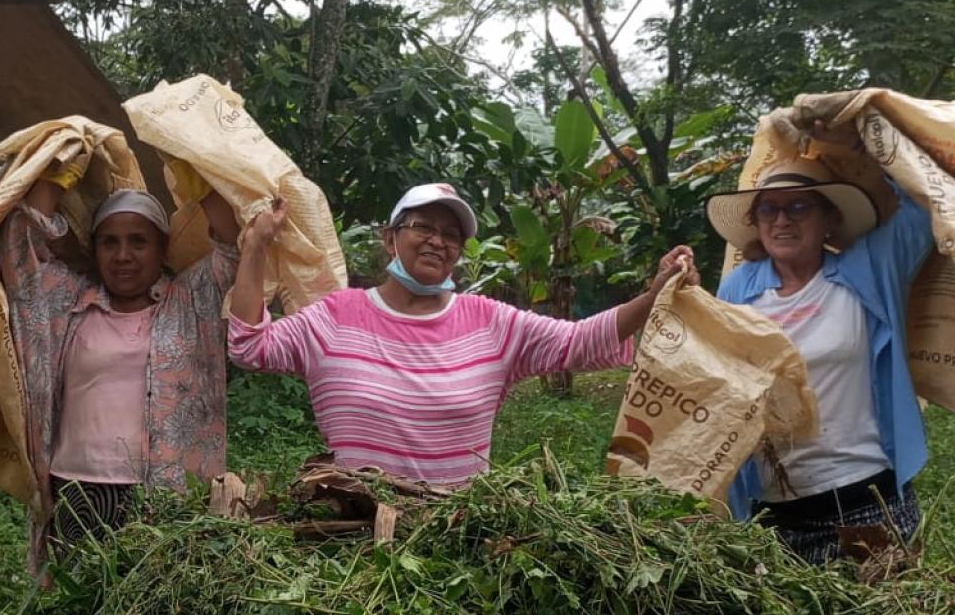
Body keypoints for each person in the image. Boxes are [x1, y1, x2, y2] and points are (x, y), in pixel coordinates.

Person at [228, 183, 697, 484]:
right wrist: (254, 249)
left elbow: (577, 342)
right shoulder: (335, 315)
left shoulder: (491, 322)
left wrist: (654, 294)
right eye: (423, 227)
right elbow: (251, 346)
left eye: (452, 235)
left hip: (459, 539)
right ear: (390, 238)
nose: (439, 241)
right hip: (351, 536)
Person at [0, 155, 239, 569]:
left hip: (166, 490)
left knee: (156, 607)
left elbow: (235, 248)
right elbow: (20, 246)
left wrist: (196, 173)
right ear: (94, 249)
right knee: (83, 608)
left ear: (162, 248)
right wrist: (60, 167)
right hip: (77, 487)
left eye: (138, 241)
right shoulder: (68, 302)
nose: (123, 254)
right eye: (110, 241)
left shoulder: (190, 301)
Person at [707, 141, 934, 564]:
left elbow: (924, 204)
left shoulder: (866, 269)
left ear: (830, 218)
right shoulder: (738, 291)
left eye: (799, 207)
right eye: (769, 210)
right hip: (775, 516)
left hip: (868, 501)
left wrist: (852, 132)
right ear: (755, 223)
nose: (782, 221)